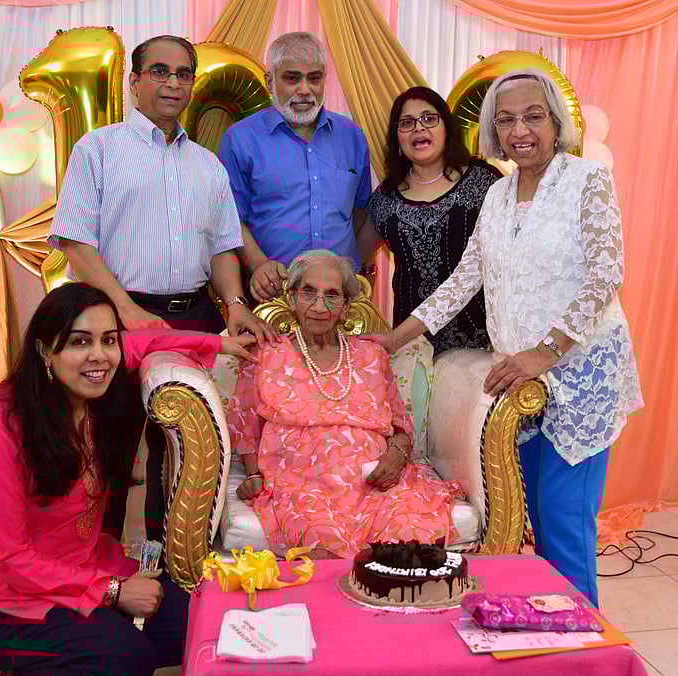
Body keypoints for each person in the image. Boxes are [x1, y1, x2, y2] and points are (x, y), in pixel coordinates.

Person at [365, 70, 643, 607]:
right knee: (535, 514)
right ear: (493, 129)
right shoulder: (495, 193)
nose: (520, 130)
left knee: (564, 519)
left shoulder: (587, 181)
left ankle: (582, 642)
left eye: (533, 116)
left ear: (556, 122)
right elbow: (464, 279)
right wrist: (392, 340)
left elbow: (605, 274)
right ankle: (550, 623)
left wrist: (547, 351)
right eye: (507, 119)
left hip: (578, 370)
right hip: (519, 376)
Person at [0, 283, 256, 675]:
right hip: (4, 597)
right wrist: (113, 593)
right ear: (45, 351)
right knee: (127, 657)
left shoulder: (86, 391)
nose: (99, 355)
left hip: (84, 566)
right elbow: (8, 557)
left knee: (193, 620)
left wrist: (221, 344)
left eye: (107, 340)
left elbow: (146, 340)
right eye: (78, 342)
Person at [226, 251, 461, 559]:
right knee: (321, 547)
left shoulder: (370, 356)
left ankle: (399, 608)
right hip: (304, 487)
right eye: (309, 292)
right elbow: (244, 423)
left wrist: (394, 457)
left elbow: (402, 427)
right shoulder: (266, 353)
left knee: (411, 544)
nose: (319, 306)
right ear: (293, 299)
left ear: (346, 306)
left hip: (375, 484)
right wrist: (254, 476)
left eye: (332, 296)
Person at [49, 34, 272, 341]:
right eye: (159, 71)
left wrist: (235, 304)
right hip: (118, 316)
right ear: (134, 82)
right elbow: (76, 243)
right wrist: (125, 310)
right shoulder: (97, 149)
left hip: (198, 318)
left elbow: (221, 248)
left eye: (183, 74)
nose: (173, 82)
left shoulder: (208, 165)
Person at [218, 32, 373, 302]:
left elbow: (360, 212)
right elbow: (230, 219)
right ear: (270, 81)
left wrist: (352, 273)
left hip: (340, 298)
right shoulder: (240, 139)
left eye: (314, 78)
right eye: (292, 78)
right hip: (274, 294)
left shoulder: (352, 136)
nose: (304, 90)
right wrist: (259, 265)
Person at [360, 86, 501, 355]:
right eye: (407, 123)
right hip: (410, 344)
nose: (418, 129)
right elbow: (356, 257)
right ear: (397, 139)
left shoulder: (484, 182)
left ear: (446, 127)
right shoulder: (386, 198)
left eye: (428, 118)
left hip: (479, 345)